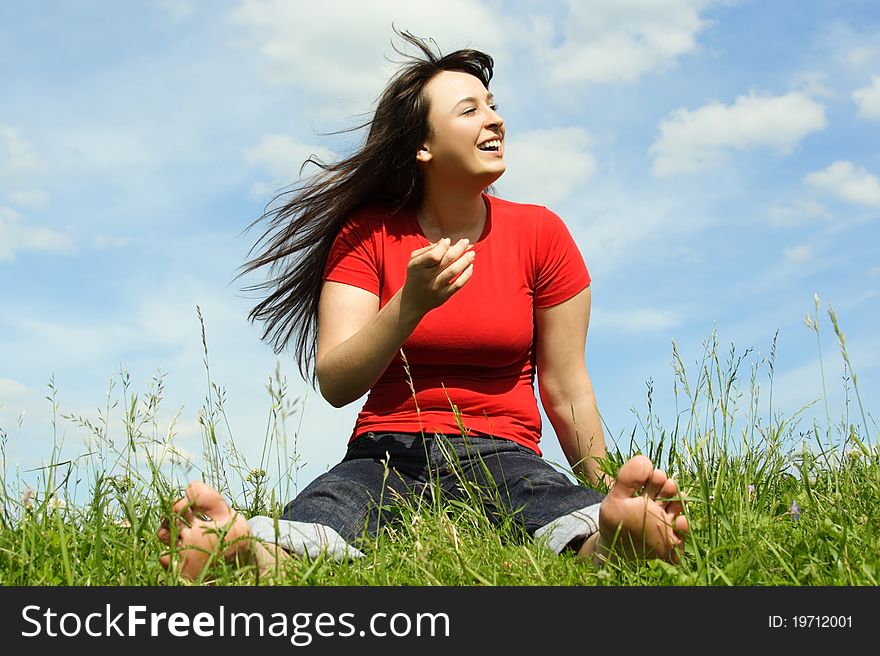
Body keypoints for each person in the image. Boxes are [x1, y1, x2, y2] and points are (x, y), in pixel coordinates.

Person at [158, 30, 688, 580]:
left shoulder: (541, 234)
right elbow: (337, 382)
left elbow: (566, 385)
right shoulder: (368, 235)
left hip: (500, 450)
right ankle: (248, 554)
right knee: (329, 513)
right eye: (469, 110)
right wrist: (409, 305)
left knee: (551, 504)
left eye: (493, 106)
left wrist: (602, 489)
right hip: (383, 451)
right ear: (424, 147)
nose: (495, 119)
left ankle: (614, 538)